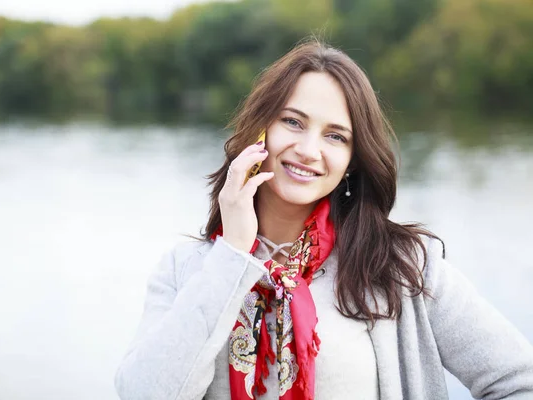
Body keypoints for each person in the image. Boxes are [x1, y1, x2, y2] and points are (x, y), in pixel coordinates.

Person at [114, 40, 533, 400]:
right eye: (292, 122)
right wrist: (233, 255)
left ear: (352, 160)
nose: (309, 149)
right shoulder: (186, 269)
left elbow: (519, 381)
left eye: (335, 136)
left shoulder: (402, 268)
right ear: (259, 131)